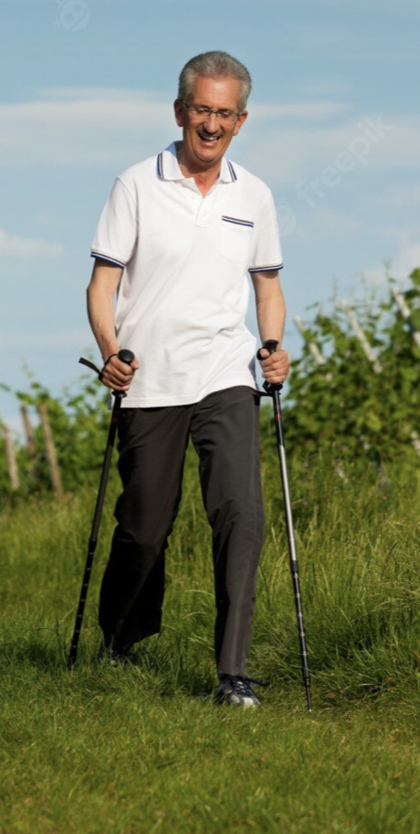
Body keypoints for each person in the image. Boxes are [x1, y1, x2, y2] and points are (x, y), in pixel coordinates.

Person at [85, 50, 290, 707]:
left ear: (242, 118)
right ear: (180, 111)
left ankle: (232, 671)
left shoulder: (254, 194)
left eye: (225, 113)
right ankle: (120, 632)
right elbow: (102, 284)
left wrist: (274, 346)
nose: (211, 123)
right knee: (146, 524)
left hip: (226, 373)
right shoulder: (135, 184)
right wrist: (111, 348)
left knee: (241, 512)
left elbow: (268, 285)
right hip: (148, 379)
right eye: (201, 109)